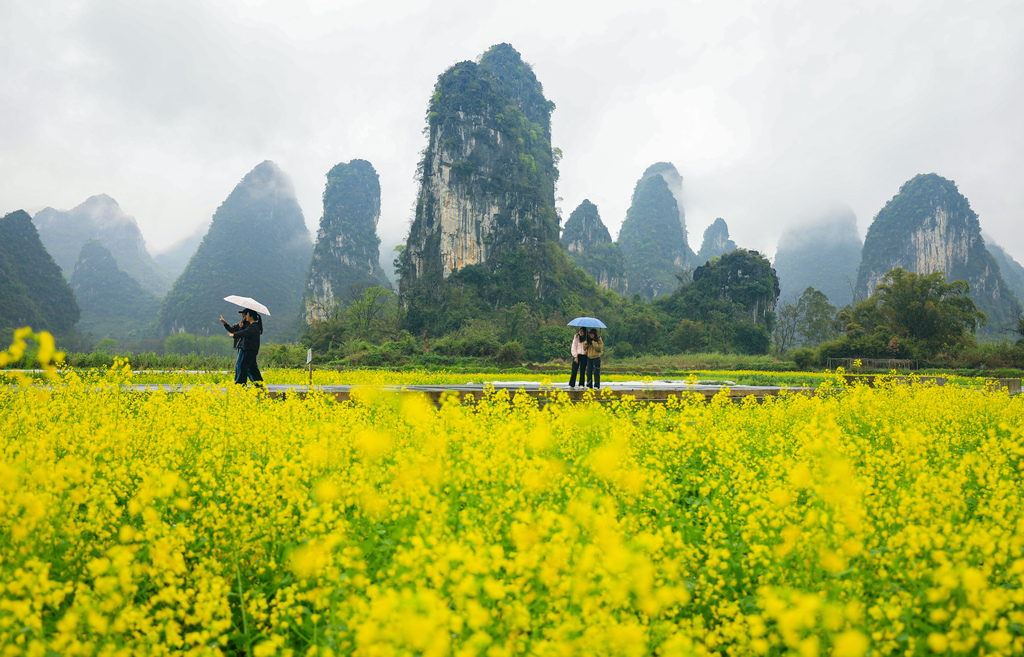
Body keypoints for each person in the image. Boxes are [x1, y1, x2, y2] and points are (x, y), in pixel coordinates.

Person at [228, 309, 264, 386]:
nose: (246, 316)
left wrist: (234, 335)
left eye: (247, 315)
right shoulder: (254, 326)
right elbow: (244, 332)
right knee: (252, 367)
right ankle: (259, 383)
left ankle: (241, 384)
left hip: (250, 349)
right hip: (251, 349)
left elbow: (245, 332)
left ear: (251, 316)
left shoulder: (253, 326)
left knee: (243, 366)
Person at [220, 312, 249, 383]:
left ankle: (238, 381)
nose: (242, 316)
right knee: (242, 365)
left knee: (241, 364)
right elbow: (232, 330)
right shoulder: (240, 323)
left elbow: (243, 333)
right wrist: (225, 323)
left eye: (244, 315)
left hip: (245, 346)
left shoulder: (249, 325)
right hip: (240, 345)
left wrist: (241, 327)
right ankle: (240, 380)